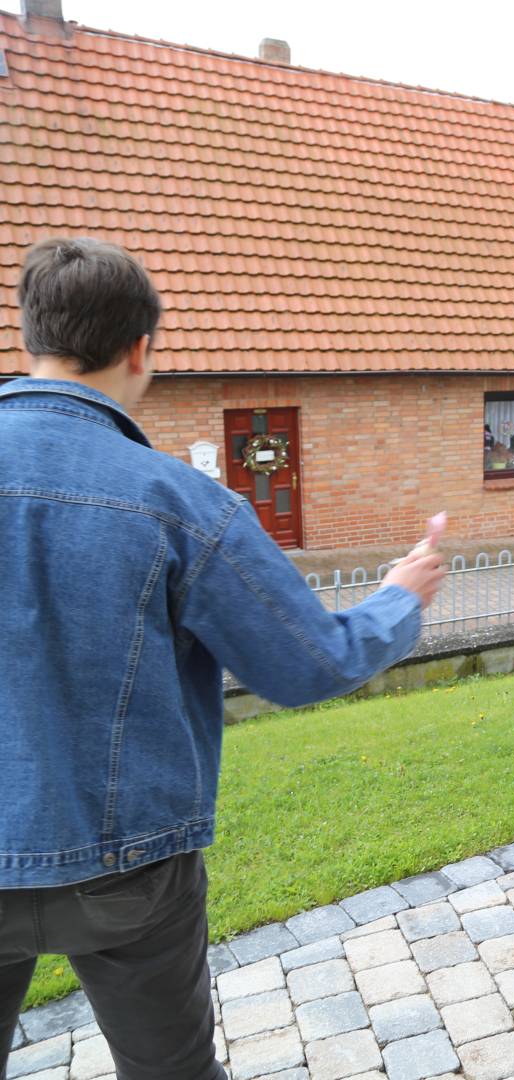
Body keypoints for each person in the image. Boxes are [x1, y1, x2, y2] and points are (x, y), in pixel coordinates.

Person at [0, 238, 447, 1080]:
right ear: (140, 350)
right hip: (131, 868)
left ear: (30, 338)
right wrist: (399, 596)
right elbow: (309, 663)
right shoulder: (179, 500)